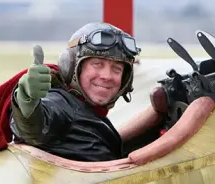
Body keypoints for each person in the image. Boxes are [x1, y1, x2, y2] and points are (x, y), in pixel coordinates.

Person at [9, 22, 163, 162]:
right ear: (72, 66)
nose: (107, 76)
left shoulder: (92, 115)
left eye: (117, 69)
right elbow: (34, 128)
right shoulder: (62, 105)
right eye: (97, 64)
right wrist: (27, 99)